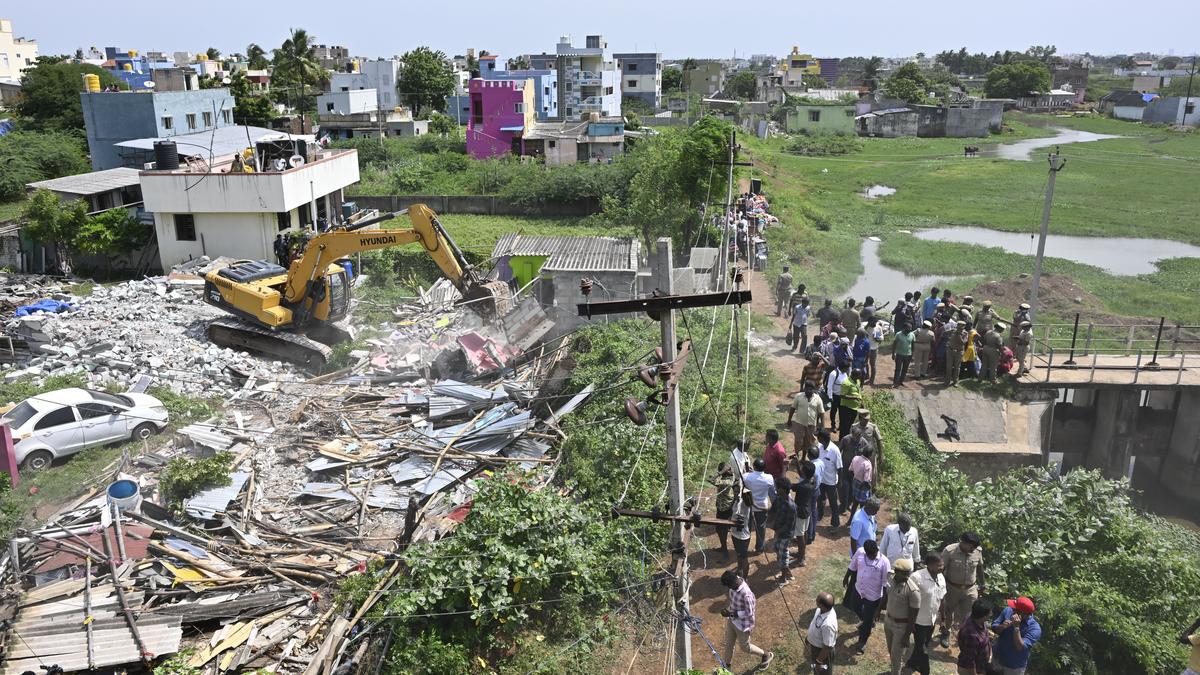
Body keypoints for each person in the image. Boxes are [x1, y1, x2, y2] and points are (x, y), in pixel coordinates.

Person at [719, 570, 774, 671]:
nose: (729, 588)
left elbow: (749, 612)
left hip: (743, 625)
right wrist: (729, 611)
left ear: (734, 582)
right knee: (728, 644)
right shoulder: (733, 587)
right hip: (732, 621)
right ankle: (726, 666)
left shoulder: (746, 594)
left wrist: (731, 613)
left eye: (729, 586)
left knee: (745, 647)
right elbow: (734, 602)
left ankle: (766, 655)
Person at [938, 531, 985, 648]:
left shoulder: (977, 552)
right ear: (963, 543)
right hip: (952, 588)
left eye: (975, 547)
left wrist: (983, 584)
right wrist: (940, 586)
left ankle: (963, 637)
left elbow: (980, 568)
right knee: (949, 612)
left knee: (968, 615)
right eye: (971, 546)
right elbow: (941, 569)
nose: (973, 549)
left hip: (970, 589)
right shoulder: (950, 551)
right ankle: (946, 632)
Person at [846, 539, 891, 655]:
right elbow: (852, 566)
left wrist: (879, 608)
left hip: (873, 596)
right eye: (870, 555)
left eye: (874, 554)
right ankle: (868, 620)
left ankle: (862, 642)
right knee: (854, 606)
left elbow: (885, 586)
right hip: (859, 590)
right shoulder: (860, 552)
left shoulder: (884, 562)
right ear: (865, 552)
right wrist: (846, 577)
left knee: (866, 621)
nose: (872, 556)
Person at [906, 552, 946, 675]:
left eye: (942, 564)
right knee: (922, 649)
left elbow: (942, 598)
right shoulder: (916, 577)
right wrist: (909, 622)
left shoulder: (940, 577)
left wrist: (943, 619)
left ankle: (912, 663)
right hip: (918, 621)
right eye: (939, 565)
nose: (942, 567)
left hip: (931, 620)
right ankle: (925, 671)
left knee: (922, 645)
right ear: (929, 565)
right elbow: (907, 599)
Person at [884, 558, 922, 675]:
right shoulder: (890, 578)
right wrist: (877, 610)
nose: (907, 576)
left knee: (896, 656)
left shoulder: (913, 591)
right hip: (888, 621)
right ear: (896, 571)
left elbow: (913, 616)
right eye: (904, 573)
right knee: (891, 651)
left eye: (908, 573)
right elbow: (886, 594)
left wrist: (907, 636)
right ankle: (893, 671)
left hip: (901, 627)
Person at [991, 596, 1041, 675]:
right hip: (997, 659)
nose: (1012, 609)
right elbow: (994, 627)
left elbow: (1020, 647)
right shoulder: (1008, 611)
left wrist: (1016, 627)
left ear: (1022, 613)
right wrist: (1002, 627)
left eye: (1014, 609)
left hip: (1014, 668)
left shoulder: (1034, 628)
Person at [744, 459, 776, 554]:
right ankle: (759, 548)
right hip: (762, 506)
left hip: (749, 504)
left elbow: (745, 480)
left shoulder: (746, 477)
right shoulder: (769, 478)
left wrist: (750, 473)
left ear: (754, 467)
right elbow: (772, 489)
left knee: (747, 527)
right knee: (761, 527)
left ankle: (745, 547)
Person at [771, 476, 798, 585]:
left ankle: (784, 578)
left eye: (778, 488)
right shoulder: (779, 499)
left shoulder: (791, 506)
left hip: (785, 534)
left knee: (783, 554)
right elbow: (773, 511)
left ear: (783, 489)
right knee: (777, 549)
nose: (776, 489)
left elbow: (789, 525)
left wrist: (778, 531)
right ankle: (787, 572)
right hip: (778, 531)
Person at [956, 600, 992, 675]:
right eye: (990, 613)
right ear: (984, 616)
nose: (991, 614)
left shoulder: (974, 617)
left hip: (980, 666)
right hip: (970, 670)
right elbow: (970, 661)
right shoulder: (972, 636)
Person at [787, 381, 824, 455]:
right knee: (798, 441)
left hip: (811, 425)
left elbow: (821, 413)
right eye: (806, 389)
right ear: (804, 388)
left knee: (808, 442)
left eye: (810, 389)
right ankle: (796, 456)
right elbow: (792, 408)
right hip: (799, 423)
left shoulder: (817, 399)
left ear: (813, 390)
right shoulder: (798, 396)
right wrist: (789, 420)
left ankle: (804, 457)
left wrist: (822, 426)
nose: (808, 391)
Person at [710, 463, 738, 560]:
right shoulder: (730, 477)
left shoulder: (726, 482)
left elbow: (711, 480)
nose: (732, 470)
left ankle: (725, 551)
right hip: (724, 506)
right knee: (721, 529)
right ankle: (723, 547)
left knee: (722, 530)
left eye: (730, 468)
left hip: (724, 508)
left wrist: (721, 472)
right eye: (729, 468)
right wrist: (724, 472)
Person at [816, 430, 842, 527]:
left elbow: (840, 467)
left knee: (833, 504)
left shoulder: (835, 450)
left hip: (831, 482)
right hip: (821, 480)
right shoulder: (819, 447)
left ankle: (835, 524)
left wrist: (840, 481)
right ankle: (820, 515)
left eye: (818, 437)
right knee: (820, 499)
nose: (817, 439)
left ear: (822, 439)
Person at [807, 592, 838, 673]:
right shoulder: (820, 610)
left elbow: (828, 646)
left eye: (817, 599)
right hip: (816, 648)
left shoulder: (828, 625)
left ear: (821, 605)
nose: (815, 600)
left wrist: (819, 662)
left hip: (822, 652)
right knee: (817, 672)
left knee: (823, 672)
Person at [792, 460, 815, 565]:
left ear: (805, 473)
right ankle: (802, 554)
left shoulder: (801, 486)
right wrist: (797, 462)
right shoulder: (812, 482)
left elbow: (791, 486)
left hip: (800, 513)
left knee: (800, 536)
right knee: (804, 533)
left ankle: (801, 558)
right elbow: (803, 476)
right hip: (807, 511)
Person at [847, 441, 873, 519]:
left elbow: (850, 470)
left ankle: (850, 520)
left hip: (855, 482)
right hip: (863, 486)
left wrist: (854, 480)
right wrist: (869, 489)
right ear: (870, 454)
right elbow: (866, 480)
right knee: (863, 506)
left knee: (855, 503)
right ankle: (861, 520)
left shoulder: (856, 458)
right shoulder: (867, 464)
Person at [731, 490, 753, 578]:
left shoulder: (746, 504)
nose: (735, 494)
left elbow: (748, 498)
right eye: (734, 491)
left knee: (744, 558)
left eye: (737, 492)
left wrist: (744, 493)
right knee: (738, 554)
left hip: (742, 536)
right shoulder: (737, 501)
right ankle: (739, 569)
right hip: (735, 533)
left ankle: (745, 578)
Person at [838, 369, 864, 438]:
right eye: (859, 375)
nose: (860, 376)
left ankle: (847, 441)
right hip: (846, 408)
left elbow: (859, 393)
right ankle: (842, 441)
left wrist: (861, 402)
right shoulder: (846, 383)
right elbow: (842, 395)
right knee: (844, 427)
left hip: (854, 408)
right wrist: (854, 398)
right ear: (854, 375)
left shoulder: (857, 381)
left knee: (850, 425)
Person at [805, 446, 823, 544]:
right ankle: (813, 533)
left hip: (812, 490)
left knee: (810, 513)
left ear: (809, 455)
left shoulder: (813, 466)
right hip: (817, 489)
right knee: (813, 511)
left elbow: (814, 478)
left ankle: (810, 535)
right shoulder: (820, 462)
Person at [825, 363, 849, 431]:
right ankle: (833, 425)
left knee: (842, 412)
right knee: (833, 411)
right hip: (835, 396)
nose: (847, 370)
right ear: (842, 367)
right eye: (846, 368)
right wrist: (830, 397)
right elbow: (829, 386)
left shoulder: (844, 373)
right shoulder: (833, 374)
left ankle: (841, 426)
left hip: (843, 397)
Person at [867, 319, 884, 385]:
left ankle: (872, 380)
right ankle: (866, 375)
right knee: (865, 363)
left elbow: (882, 337)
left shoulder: (878, 327)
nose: (874, 324)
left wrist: (878, 338)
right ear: (869, 322)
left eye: (875, 322)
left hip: (874, 348)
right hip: (867, 348)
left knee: (872, 364)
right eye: (872, 322)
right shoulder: (866, 328)